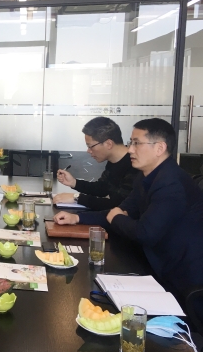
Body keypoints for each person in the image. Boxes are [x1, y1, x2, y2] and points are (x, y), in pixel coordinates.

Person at [54, 118, 203, 302]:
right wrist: (77, 219)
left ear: (159, 148)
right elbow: (120, 210)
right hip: (155, 265)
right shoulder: (146, 177)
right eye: (131, 143)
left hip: (181, 283)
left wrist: (117, 217)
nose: (130, 149)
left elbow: (145, 232)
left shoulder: (171, 184)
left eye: (137, 143)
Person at [53, 117, 138, 210]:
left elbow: (119, 205)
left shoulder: (135, 165)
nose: (88, 151)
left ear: (109, 144)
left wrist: (77, 198)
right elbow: (102, 188)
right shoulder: (114, 161)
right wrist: (74, 182)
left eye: (90, 146)